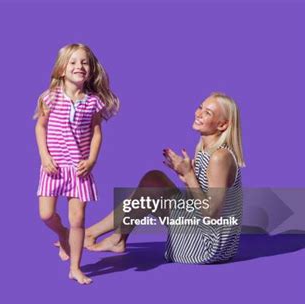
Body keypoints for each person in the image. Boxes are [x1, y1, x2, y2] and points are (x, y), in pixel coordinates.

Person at [85, 92, 245, 264]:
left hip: (206, 247)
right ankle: (114, 238)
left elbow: (212, 213)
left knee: (153, 184)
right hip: (201, 233)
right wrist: (187, 178)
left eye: (208, 113)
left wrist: (190, 176)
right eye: (200, 107)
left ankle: (95, 234)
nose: (198, 114)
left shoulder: (219, 157)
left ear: (222, 125)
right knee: (153, 179)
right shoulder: (205, 151)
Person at [34, 43, 119, 284]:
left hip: (79, 169)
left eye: (84, 62)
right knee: (46, 214)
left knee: (78, 219)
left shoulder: (93, 102)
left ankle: (75, 267)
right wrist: (44, 156)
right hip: (53, 167)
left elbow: (97, 133)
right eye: (73, 62)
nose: (79, 66)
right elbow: (40, 127)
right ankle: (63, 235)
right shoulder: (49, 97)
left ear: (91, 70)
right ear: (62, 69)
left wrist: (91, 160)